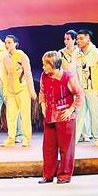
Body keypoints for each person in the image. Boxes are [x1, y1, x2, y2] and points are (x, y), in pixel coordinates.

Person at [38, 51, 83, 184]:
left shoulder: (67, 77)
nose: (43, 67)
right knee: (48, 148)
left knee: (65, 148)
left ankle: (64, 175)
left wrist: (71, 109)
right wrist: (43, 106)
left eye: (45, 64)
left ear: (53, 64)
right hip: (50, 116)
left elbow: (79, 94)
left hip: (64, 118)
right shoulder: (44, 76)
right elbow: (42, 92)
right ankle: (48, 175)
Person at [73, 29, 98, 146]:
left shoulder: (97, 53)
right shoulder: (76, 54)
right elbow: (74, 72)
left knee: (95, 115)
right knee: (79, 114)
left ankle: (97, 137)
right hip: (81, 90)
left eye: (81, 38)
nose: (78, 41)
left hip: (95, 90)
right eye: (77, 39)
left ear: (88, 39)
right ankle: (74, 139)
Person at [1, 34, 36, 147]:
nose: (7, 45)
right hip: (11, 90)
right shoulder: (5, 58)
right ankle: (11, 138)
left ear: (15, 43)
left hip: (23, 88)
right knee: (10, 116)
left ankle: (26, 139)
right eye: (6, 43)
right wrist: (5, 92)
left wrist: (32, 91)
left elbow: (28, 73)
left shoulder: (22, 55)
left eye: (9, 42)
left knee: (25, 115)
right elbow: (5, 76)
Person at [59, 29, 90, 142]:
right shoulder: (60, 53)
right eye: (65, 39)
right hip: (67, 83)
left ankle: (85, 134)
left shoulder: (79, 51)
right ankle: (73, 133)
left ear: (74, 40)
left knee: (81, 109)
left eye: (68, 39)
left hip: (80, 82)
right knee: (71, 108)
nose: (66, 41)